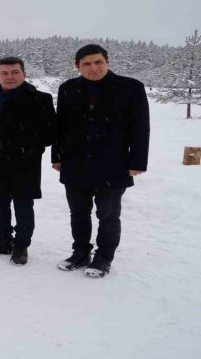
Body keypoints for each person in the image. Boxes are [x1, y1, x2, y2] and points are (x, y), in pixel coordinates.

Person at [52, 44, 150, 278]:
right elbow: (60, 126)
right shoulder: (68, 88)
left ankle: (104, 257)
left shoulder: (131, 88)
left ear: (108, 61)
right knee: (78, 213)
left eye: (98, 62)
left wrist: (137, 162)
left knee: (108, 214)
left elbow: (140, 127)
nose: (93, 68)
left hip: (113, 162)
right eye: (86, 64)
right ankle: (80, 253)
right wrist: (57, 156)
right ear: (77, 66)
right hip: (75, 162)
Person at [0, 57, 56, 265]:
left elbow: (50, 132)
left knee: (23, 206)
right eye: (5, 73)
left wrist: (28, 148)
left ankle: (21, 245)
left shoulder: (40, 99)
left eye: (15, 72)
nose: (10, 77)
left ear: (24, 74)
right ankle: (3, 241)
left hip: (24, 162)